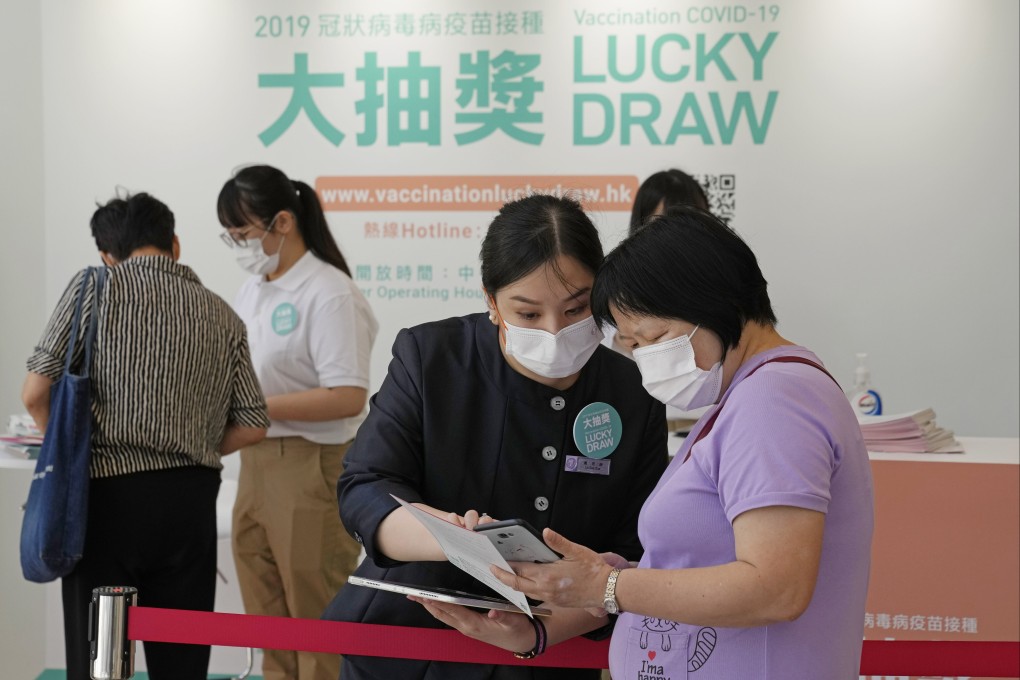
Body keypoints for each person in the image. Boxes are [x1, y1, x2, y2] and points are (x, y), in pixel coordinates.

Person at [416, 207, 875, 679]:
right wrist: (591, 587)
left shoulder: (773, 399)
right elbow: (705, 566)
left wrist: (608, 585)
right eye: (632, 345)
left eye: (655, 337)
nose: (645, 360)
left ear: (711, 301)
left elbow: (776, 588)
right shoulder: (748, 395)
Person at [323, 193, 669, 680]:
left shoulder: (634, 393)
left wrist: (539, 633)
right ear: (491, 301)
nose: (554, 331)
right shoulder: (432, 357)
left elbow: (636, 553)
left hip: (550, 654)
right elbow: (365, 487)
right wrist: (449, 538)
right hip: (411, 643)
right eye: (528, 315)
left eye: (576, 309)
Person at [22, 191, 269, 680]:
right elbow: (253, 422)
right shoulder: (221, 312)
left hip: (106, 500)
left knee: (99, 659)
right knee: (182, 662)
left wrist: (70, 456)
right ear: (175, 244)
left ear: (109, 253)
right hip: (191, 503)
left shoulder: (93, 289)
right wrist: (197, 446)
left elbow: (34, 393)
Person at [217, 165, 378, 680]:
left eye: (243, 233)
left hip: (310, 467)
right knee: (266, 614)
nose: (239, 245)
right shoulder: (253, 288)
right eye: (230, 235)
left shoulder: (330, 292)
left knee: (315, 616)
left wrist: (257, 405)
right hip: (255, 462)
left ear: (282, 222)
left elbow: (347, 395)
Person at [605, 168, 710, 359]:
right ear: (640, 226)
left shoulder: (719, 283)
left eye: (689, 224)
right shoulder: (615, 290)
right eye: (663, 224)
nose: (676, 236)